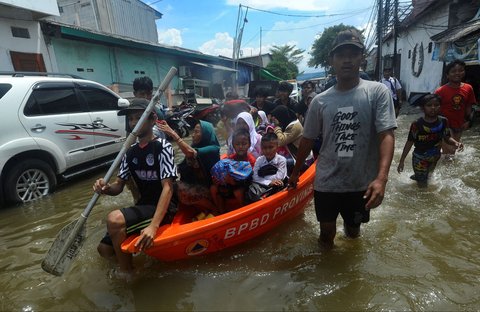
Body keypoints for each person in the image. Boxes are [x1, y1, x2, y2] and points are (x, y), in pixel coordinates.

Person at [288, 28, 397, 250]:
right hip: (326, 181)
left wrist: (382, 178)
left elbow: (386, 134)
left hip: (360, 183)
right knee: (326, 235)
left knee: (353, 233)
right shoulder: (320, 101)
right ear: (332, 61)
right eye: (341, 55)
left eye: (353, 54)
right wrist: (295, 173)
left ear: (362, 58)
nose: (347, 60)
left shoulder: (377, 92)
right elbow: (307, 140)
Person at [94, 98, 177, 275]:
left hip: (163, 209)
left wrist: (154, 226)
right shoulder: (129, 152)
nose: (133, 122)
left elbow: (168, 188)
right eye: (131, 119)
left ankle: (127, 274)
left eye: (138, 118)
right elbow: (118, 186)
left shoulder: (162, 147)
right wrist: (105, 188)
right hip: (143, 205)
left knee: (114, 220)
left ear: (152, 119)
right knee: (104, 249)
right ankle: (138, 267)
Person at [397, 94, 463, 186]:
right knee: (423, 186)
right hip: (420, 159)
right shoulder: (417, 124)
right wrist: (402, 161)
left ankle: (418, 176)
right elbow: (409, 142)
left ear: (440, 106)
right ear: (423, 108)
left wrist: (456, 143)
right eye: (429, 105)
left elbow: (447, 137)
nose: (433, 108)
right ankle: (420, 181)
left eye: (436, 105)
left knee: (429, 177)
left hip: (435, 157)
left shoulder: (443, 121)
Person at [158, 119, 220, 212]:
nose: (192, 135)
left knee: (180, 189)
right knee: (167, 184)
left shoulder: (213, 149)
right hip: (196, 186)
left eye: (196, 132)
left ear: (206, 134)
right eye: (193, 131)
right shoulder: (196, 146)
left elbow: (191, 153)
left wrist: (172, 133)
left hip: (209, 190)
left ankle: (215, 210)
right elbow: (180, 167)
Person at [434, 59, 476, 158]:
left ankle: (443, 165)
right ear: (447, 75)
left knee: (452, 151)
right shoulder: (440, 91)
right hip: (445, 125)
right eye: (453, 71)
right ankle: (443, 171)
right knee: (448, 151)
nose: (457, 73)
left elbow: (469, 105)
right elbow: (434, 108)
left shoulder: (468, 88)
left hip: (459, 124)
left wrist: (469, 121)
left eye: (460, 70)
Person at [211, 129, 254, 213]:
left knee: (238, 192)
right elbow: (222, 171)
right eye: (237, 144)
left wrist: (233, 182)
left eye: (244, 144)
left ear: (249, 145)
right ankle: (220, 213)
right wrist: (219, 179)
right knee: (213, 188)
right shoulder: (230, 159)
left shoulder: (251, 160)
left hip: (244, 186)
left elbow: (251, 180)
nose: (240, 146)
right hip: (229, 183)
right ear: (233, 145)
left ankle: (246, 212)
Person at [246, 132, 287, 203]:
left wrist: (263, 178)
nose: (267, 151)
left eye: (271, 147)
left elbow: (279, 178)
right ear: (261, 148)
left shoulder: (281, 160)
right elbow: (255, 177)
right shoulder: (259, 160)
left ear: (277, 147)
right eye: (264, 148)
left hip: (276, 187)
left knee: (279, 185)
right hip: (263, 186)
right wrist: (269, 182)